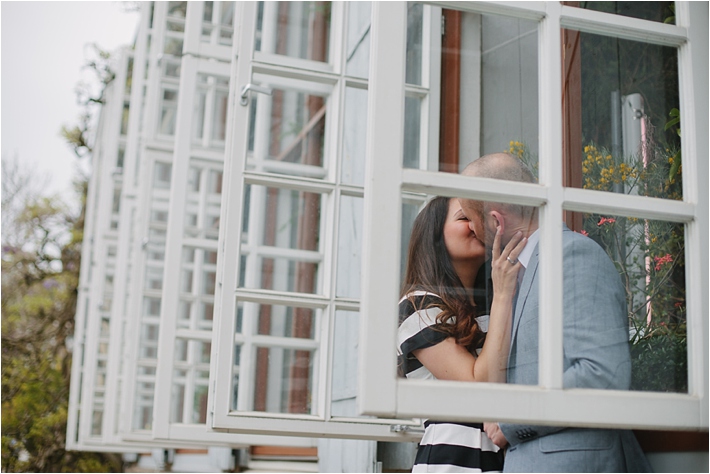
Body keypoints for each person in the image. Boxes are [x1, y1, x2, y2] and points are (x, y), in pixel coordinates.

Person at [459, 152, 651, 472]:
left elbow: (602, 375)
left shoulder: (572, 255)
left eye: (469, 218)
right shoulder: (515, 274)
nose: (472, 230)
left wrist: (509, 423)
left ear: (495, 220)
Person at [397, 196, 527, 472]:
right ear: (435, 237)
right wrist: (504, 293)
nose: (476, 225)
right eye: (464, 217)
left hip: (508, 455)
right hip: (454, 458)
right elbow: (477, 383)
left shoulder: (489, 305)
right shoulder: (417, 304)